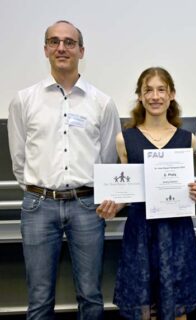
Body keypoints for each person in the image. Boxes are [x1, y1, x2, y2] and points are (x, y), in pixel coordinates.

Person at [7, 20, 121, 319]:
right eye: (54, 41)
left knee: (90, 295)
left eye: (69, 42)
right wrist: (39, 189)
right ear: (45, 49)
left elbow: (109, 159)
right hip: (38, 206)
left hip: (87, 206)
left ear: (81, 50)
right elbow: (19, 159)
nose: (61, 48)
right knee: (40, 298)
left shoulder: (102, 103)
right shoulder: (24, 100)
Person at [97, 67, 196, 320]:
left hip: (177, 231)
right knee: (145, 308)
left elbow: (188, 186)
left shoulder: (188, 139)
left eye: (161, 90)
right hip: (140, 232)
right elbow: (127, 190)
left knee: (177, 304)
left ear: (171, 95)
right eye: (148, 90)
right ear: (140, 96)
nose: (155, 96)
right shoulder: (125, 139)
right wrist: (114, 204)